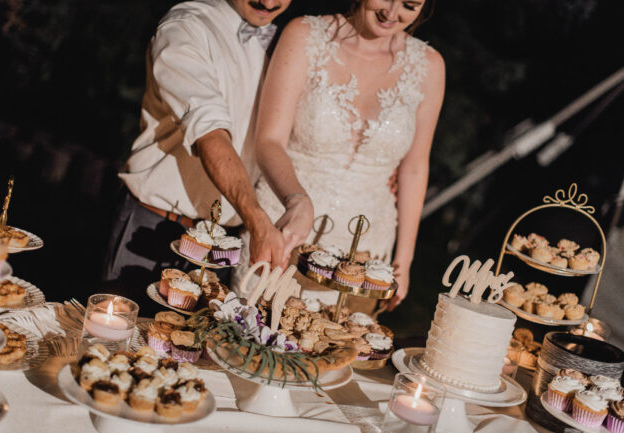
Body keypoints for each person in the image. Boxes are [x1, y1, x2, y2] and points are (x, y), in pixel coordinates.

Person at [234, 0, 445, 312]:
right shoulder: (305, 35)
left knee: (341, 351)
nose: (391, 12)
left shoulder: (429, 66)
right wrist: (296, 200)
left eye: (409, 5)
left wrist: (404, 259)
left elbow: (414, 169)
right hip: (285, 231)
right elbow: (269, 141)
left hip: (365, 257)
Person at [102, 0, 292, 307]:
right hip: (156, 227)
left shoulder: (282, 48)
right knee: (117, 346)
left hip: (223, 245)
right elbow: (210, 133)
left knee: (194, 352)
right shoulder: (185, 28)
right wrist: (258, 220)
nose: (269, 2)